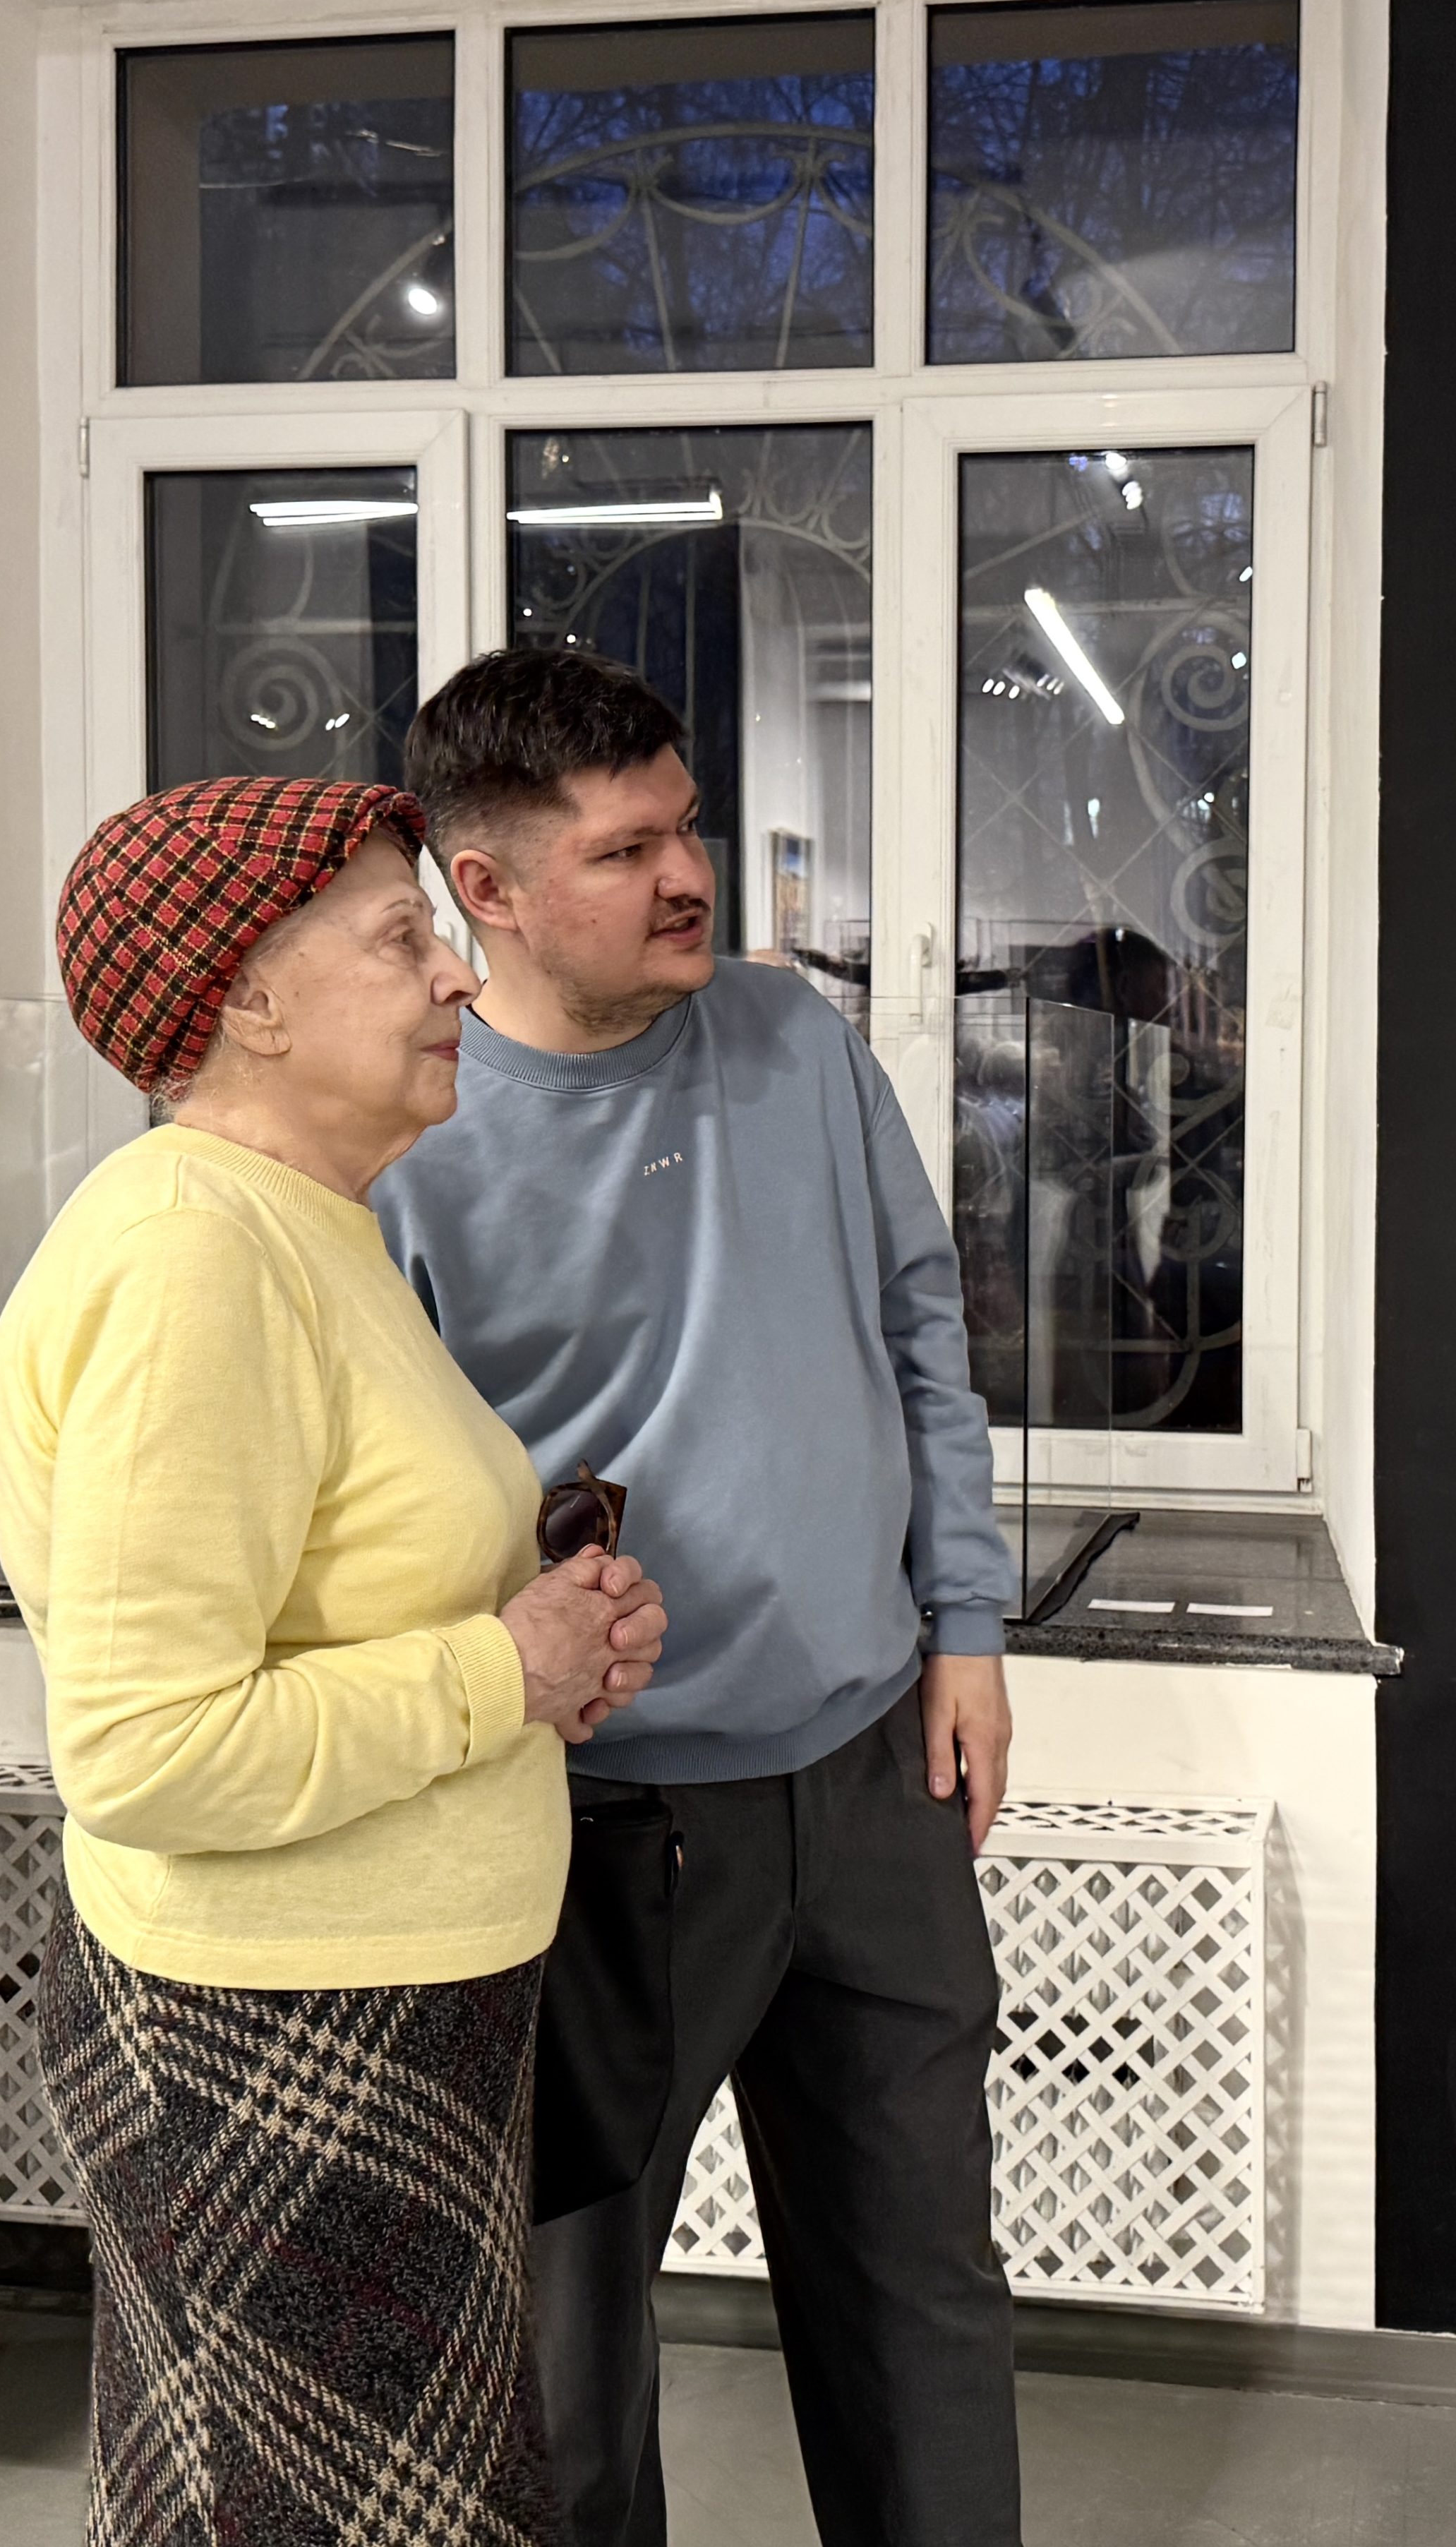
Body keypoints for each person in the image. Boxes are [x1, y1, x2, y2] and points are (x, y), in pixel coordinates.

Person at [380, 649, 1021, 2547]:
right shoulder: (407, 1133)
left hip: (872, 1770)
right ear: (485, 889)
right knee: (570, 2370)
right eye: (623, 847)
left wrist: (967, 1626)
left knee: (923, 2304)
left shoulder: (792, 1039)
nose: (688, 875)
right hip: (602, 1822)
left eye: (686, 827)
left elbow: (920, 1325)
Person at [0, 774, 668, 2547]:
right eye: (400, 936)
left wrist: (545, 1636)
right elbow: (149, 1746)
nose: (457, 975)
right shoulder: (195, 1258)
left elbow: (344, 1596)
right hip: (276, 2043)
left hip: (369, 2018)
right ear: (249, 1000)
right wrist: (502, 1672)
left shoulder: (298, 1224)